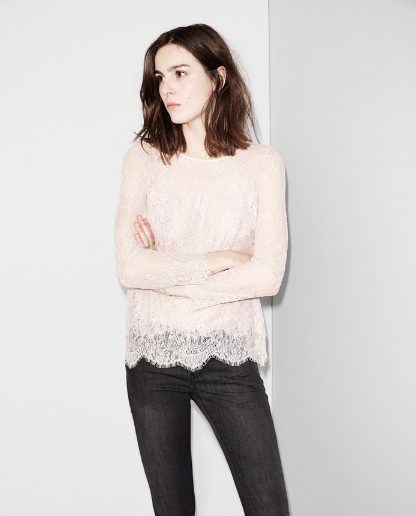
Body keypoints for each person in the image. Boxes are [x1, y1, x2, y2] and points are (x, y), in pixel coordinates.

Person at [114, 23, 290, 516]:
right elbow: (129, 266)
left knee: (269, 507)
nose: (166, 88)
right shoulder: (143, 159)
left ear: (218, 77)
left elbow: (266, 276)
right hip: (152, 357)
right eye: (159, 77)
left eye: (180, 73)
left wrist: (167, 278)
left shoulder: (262, 165)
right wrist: (217, 262)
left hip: (228, 359)